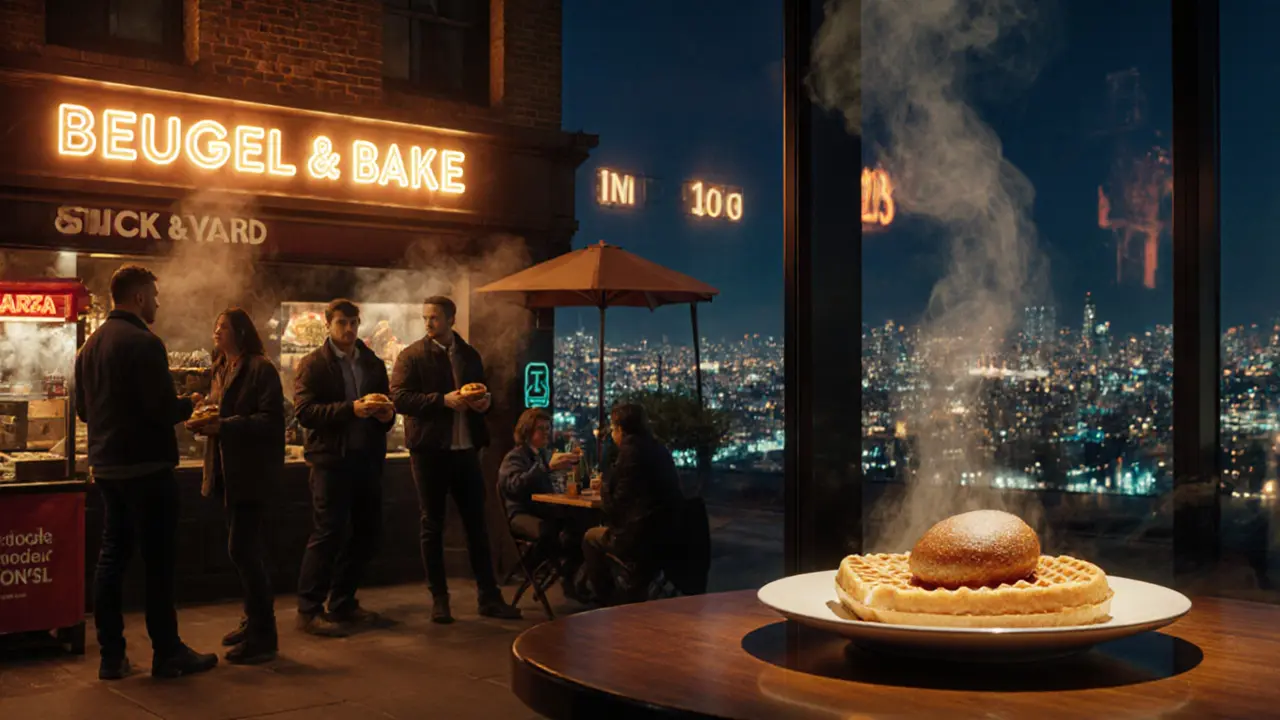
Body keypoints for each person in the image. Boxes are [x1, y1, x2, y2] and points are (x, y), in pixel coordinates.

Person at [74, 264, 218, 680]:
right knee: (158, 562)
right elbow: (159, 410)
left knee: (111, 558)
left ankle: (111, 655)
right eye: (154, 296)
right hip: (148, 468)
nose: (157, 302)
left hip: (107, 469)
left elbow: (84, 410)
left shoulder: (90, 346)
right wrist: (190, 403)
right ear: (138, 297)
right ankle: (167, 652)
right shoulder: (144, 343)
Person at [390, 295, 521, 623]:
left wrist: (484, 403)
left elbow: (484, 394)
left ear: (451, 319)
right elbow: (400, 399)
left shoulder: (469, 355)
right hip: (430, 452)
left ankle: (488, 597)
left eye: (434, 317)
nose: (428, 323)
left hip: (467, 451)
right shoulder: (412, 356)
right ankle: (440, 599)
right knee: (431, 524)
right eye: (425, 318)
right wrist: (442, 401)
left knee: (477, 525)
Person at [293, 299, 396, 636]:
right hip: (330, 461)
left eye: (353, 322)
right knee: (328, 532)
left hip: (366, 458)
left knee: (368, 532)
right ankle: (309, 609)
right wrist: (350, 409)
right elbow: (305, 413)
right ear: (328, 324)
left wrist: (386, 416)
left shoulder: (371, 362)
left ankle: (343, 601)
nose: (349, 329)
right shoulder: (313, 365)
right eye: (341, 323)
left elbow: (386, 408)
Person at [188, 308, 284, 664]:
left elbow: (272, 421)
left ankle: (264, 634)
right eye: (216, 325)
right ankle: (252, 620)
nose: (216, 331)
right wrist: (205, 410)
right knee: (243, 550)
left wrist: (224, 426)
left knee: (244, 551)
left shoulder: (260, 368)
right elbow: (221, 410)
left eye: (223, 326)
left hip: (252, 474)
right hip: (227, 472)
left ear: (240, 332)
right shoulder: (221, 366)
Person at [582, 403, 685, 605]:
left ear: (620, 429)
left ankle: (607, 598)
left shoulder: (630, 454)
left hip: (639, 539)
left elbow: (615, 507)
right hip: (671, 535)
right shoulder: (658, 449)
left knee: (589, 537)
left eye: (613, 429)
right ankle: (625, 589)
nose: (612, 434)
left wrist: (603, 486)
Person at [498, 409, 587, 599]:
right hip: (522, 514)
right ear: (527, 431)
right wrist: (546, 468)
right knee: (551, 532)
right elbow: (514, 486)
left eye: (548, 428)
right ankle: (536, 566)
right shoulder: (515, 457)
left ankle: (568, 577)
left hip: (544, 510)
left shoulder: (543, 455)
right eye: (541, 429)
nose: (547, 433)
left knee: (581, 528)